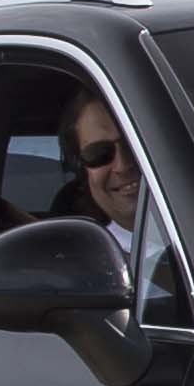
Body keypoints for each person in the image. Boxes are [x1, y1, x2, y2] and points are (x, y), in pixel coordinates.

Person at [57, 87, 150, 283]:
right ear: (82, 169)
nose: (123, 165)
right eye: (100, 153)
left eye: (136, 146)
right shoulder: (80, 272)